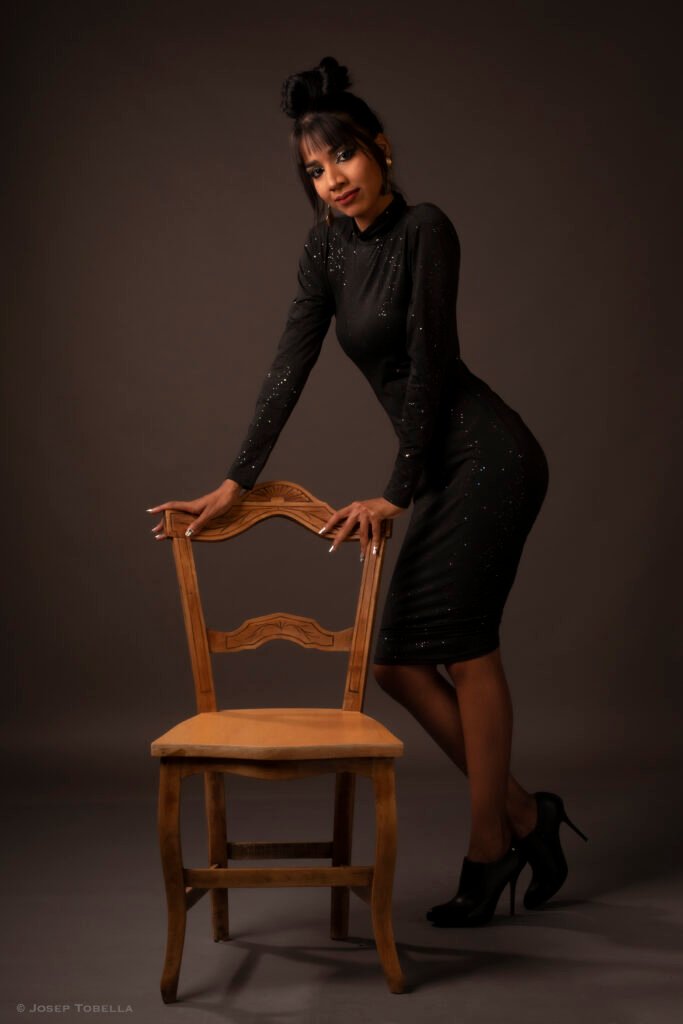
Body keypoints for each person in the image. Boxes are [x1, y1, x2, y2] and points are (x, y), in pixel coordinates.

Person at [147, 56, 587, 927]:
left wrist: (393, 492)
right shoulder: (323, 249)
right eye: (314, 170)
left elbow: (429, 363)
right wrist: (234, 483)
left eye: (342, 155)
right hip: (438, 465)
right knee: (398, 665)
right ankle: (526, 817)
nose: (332, 179)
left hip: (489, 457)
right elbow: (287, 368)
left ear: (379, 147)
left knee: (467, 653)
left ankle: (488, 850)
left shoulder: (425, 229)